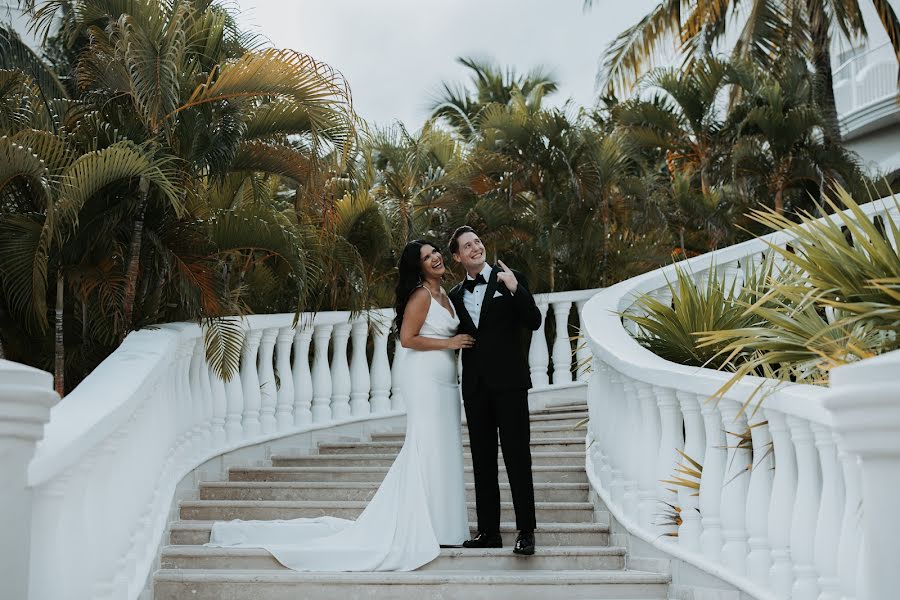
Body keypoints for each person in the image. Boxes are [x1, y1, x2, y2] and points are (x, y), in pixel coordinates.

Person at [205, 240, 475, 571]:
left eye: (435, 253)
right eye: (426, 257)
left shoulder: (446, 294)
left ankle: (445, 524)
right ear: (417, 267)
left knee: (444, 448)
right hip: (425, 377)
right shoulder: (421, 296)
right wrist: (450, 342)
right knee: (428, 447)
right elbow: (407, 338)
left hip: (446, 379)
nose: (434, 258)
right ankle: (427, 525)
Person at [447, 226, 542, 556]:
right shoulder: (455, 295)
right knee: (482, 461)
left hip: (511, 384)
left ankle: (526, 531)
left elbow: (534, 320)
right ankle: (488, 531)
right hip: (476, 389)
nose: (475, 248)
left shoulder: (509, 277)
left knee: (518, 458)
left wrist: (516, 290)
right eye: (467, 246)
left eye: (477, 242)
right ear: (457, 257)